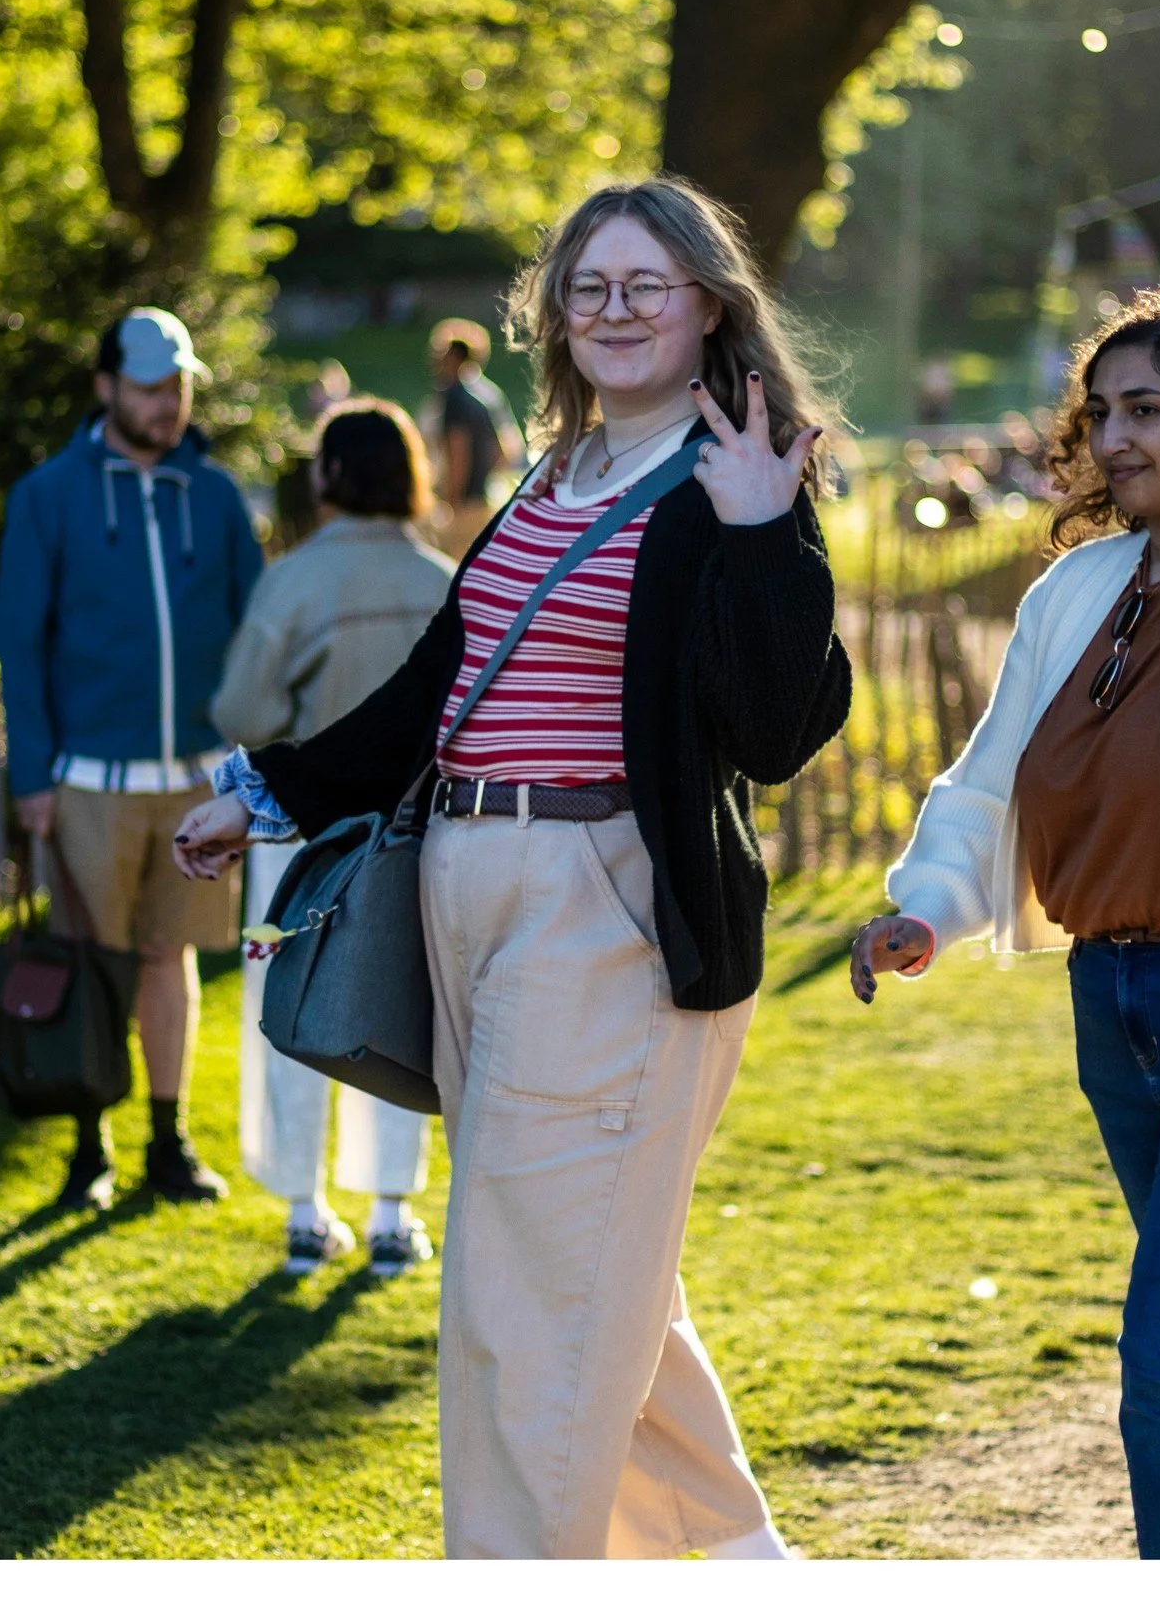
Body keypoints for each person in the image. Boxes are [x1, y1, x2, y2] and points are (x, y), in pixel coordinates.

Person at [174, 176, 851, 1560]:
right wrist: (264, 790)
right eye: (588, 287)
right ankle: (736, 1566)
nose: (612, 311)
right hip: (463, 884)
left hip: (603, 898)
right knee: (588, 1274)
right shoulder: (559, 472)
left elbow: (777, 732)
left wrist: (761, 532)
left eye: (645, 286)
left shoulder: (729, 473)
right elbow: (442, 684)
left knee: (523, 1290)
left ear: (709, 304)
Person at [850, 287, 1160, 1560]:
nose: (1111, 438)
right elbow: (985, 781)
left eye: (1143, 410)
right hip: (1113, 1010)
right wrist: (922, 912)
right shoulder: (1077, 590)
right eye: (1098, 413)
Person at [0, 306, 264, 1210]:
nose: (167, 404)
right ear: (107, 387)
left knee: (167, 957)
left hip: (196, 784)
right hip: (85, 784)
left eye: (178, 386)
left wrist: (250, 763)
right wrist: (30, 776)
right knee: (91, 957)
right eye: (150, 388)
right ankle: (88, 1143)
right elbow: (19, 646)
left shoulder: (217, 496)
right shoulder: (48, 498)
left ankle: (167, 1138)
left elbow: (251, 634)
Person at [209, 399, 453, 1278]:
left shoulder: (292, 582)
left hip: (296, 842)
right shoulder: (444, 580)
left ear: (326, 475)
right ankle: (391, 1214)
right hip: (409, 842)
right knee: (395, 1015)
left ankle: (304, 1210)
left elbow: (241, 711)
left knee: (287, 1011)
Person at [424, 317, 524, 559]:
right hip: (484, 501)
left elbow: (457, 451)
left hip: (461, 505)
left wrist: (452, 500)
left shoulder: (455, 397)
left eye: (440, 356)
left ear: (454, 357)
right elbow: (506, 451)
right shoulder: (489, 395)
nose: (435, 363)